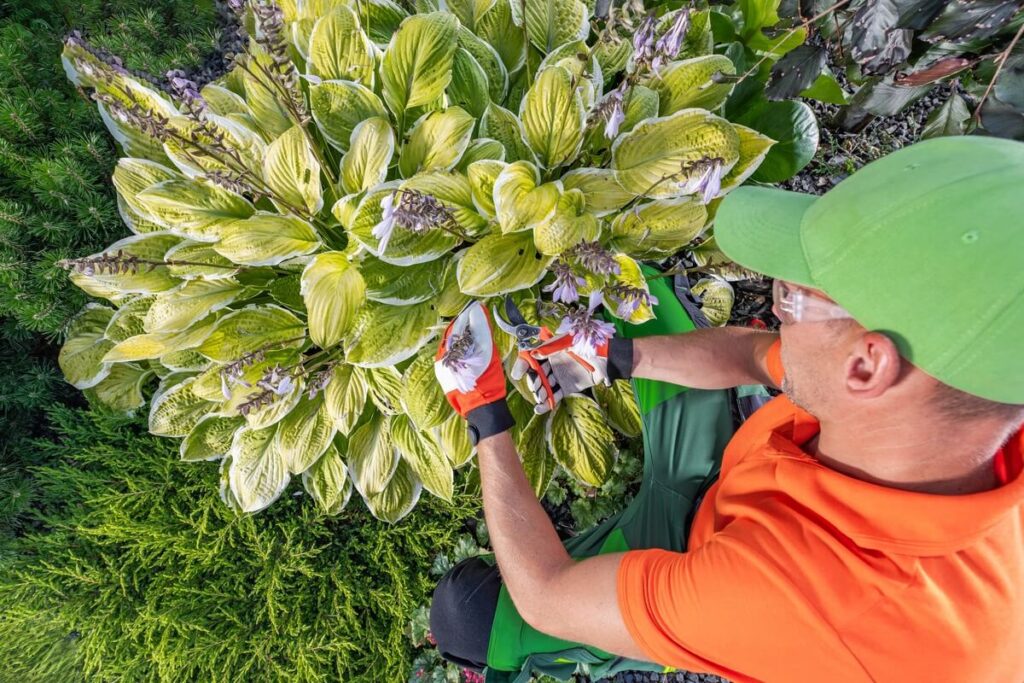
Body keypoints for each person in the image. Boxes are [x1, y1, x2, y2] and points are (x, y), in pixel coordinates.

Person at [429, 136, 1024, 682]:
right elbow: (755, 356)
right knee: (643, 295)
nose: (776, 306)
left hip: (716, 565)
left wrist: (486, 415)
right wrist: (610, 354)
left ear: (866, 366)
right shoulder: (943, 400)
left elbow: (548, 595)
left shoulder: (797, 599)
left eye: (791, 297)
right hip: (735, 483)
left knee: (469, 616)